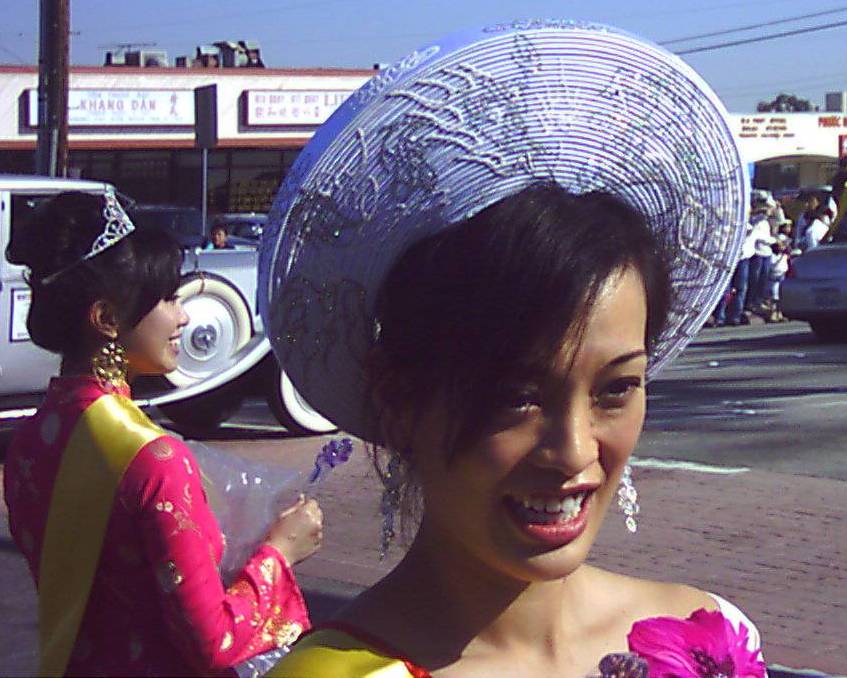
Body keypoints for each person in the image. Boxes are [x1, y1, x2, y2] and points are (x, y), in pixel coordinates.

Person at [259, 22, 765, 677]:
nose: (574, 452)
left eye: (616, 388)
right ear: (400, 400)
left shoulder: (710, 641)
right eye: (515, 397)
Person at [3, 191, 322, 676]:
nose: (184, 317)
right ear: (107, 318)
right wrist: (280, 551)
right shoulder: (152, 460)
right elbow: (213, 639)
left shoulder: (29, 443)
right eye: (169, 298)